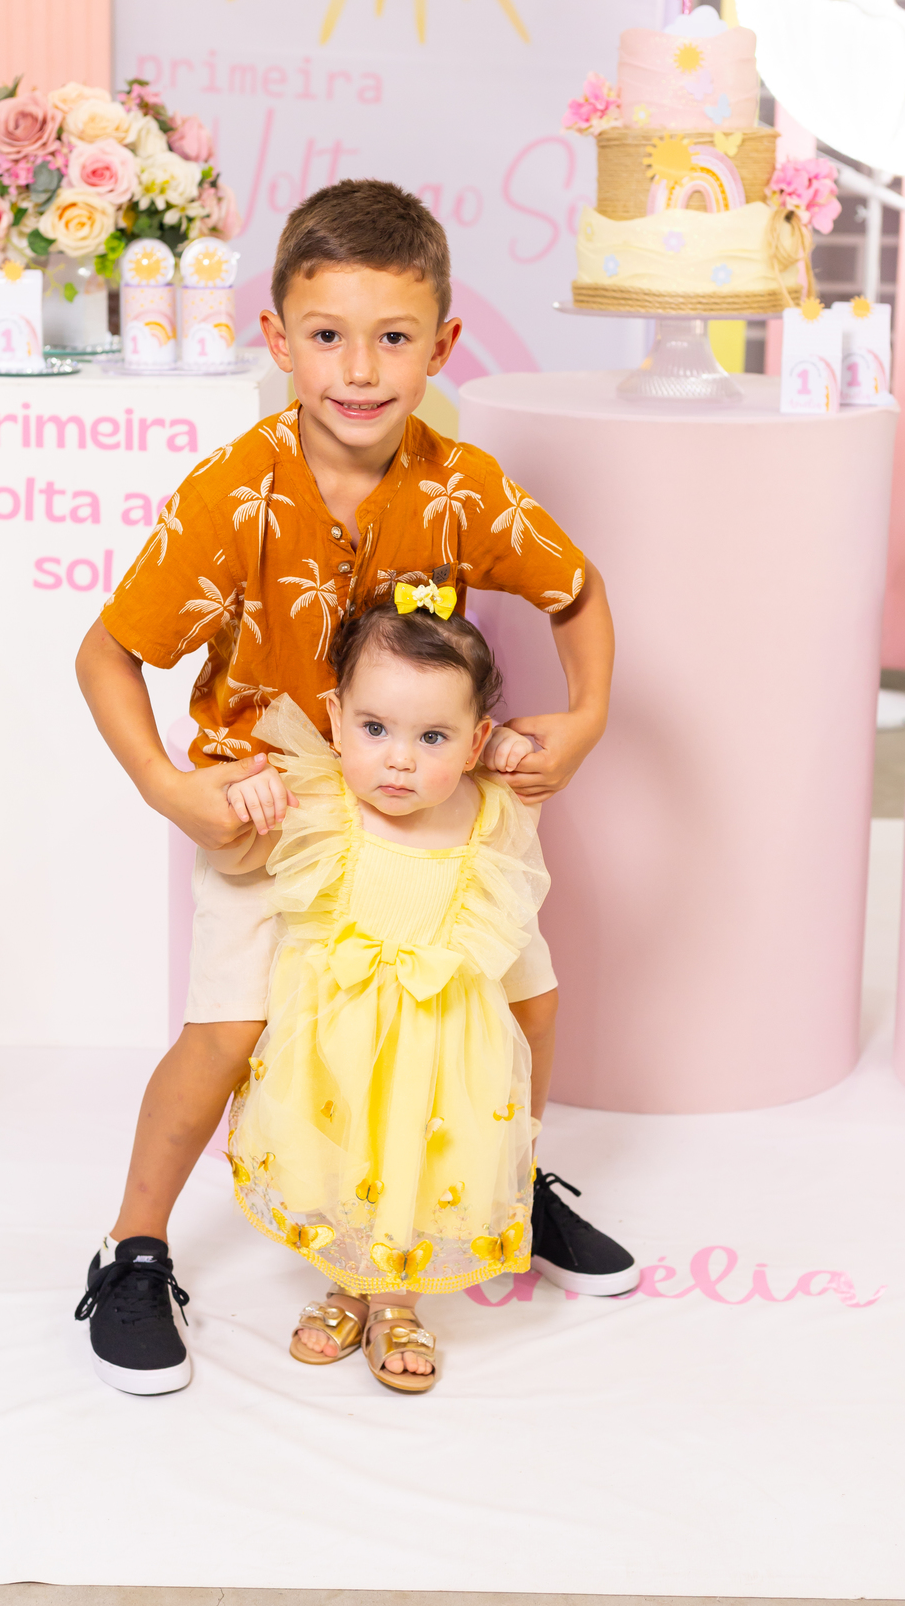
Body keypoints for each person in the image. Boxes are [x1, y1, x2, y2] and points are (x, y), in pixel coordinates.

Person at [73, 177, 637, 1396]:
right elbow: (107, 653)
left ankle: (502, 1181)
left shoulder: (463, 484)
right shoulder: (233, 494)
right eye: (328, 335)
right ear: (277, 338)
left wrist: (586, 719)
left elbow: (577, 590)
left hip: (430, 807)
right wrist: (169, 786)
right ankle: (133, 1248)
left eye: (394, 337)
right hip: (275, 820)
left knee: (522, 1000)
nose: (361, 369)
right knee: (231, 1031)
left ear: (442, 343)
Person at [222, 596, 548, 1392]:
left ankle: (396, 1302)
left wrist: (513, 755)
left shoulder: (489, 817)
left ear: (475, 743)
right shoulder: (322, 803)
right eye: (375, 729)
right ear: (335, 722)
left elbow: (513, 915)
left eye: (432, 738)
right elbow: (233, 863)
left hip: (438, 1048)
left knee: (414, 1168)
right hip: (337, 1042)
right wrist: (248, 803)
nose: (398, 761)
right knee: (339, 1163)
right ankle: (345, 1286)